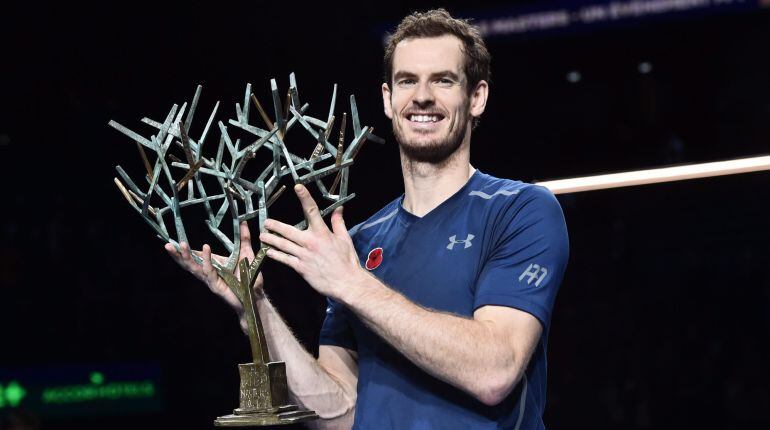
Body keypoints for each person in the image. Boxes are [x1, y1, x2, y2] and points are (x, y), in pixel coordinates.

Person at [166, 9, 568, 430]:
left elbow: (494, 371)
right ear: (387, 99)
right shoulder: (358, 243)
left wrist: (352, 284)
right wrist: (255, 308)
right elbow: (338, 413)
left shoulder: (520, 210)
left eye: (443, 80)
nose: (422, 97)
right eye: (407, 81)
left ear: (477, 97)